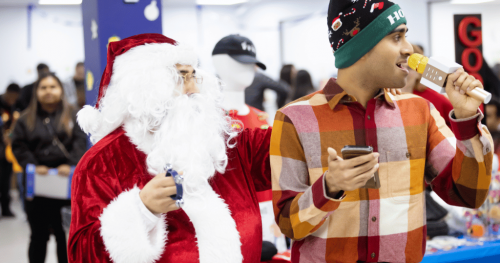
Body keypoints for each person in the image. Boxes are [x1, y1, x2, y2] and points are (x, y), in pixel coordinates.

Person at [271, 1, 493, 262]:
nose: (408, 49)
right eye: (396, 37)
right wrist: (330, 187)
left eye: (405, 36)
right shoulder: (294, 119)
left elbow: (469, 194)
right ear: (361, 47)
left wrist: (466, 118)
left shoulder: (420, 112)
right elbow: (288, 224)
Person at [68, 34, 272, 263]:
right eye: (181, 77)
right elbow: (82, 255)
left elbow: (288, 144)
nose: (194, 88)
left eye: (194, 75)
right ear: (145, 88)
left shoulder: (225, 144)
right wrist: (140, 211)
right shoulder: (103, 162)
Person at [12, 72, 87, 263]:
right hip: (36, 185)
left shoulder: (72, 115)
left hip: (66, 184)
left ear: (61, 90)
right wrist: (34, 166)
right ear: (36, 91)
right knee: (38, 236)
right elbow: (18, 146)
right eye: (43, 87)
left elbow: (80, 144)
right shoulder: (24, 119)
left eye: (53, 87)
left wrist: (69, 164)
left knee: (65, 235)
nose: (48, 91)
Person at [402, 44, 454, 128]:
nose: (405, 71)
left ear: (419, 73)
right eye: (399, 66)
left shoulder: (434, 100)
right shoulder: (379, 99)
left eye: (410, 67)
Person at [0, 83, 21, 217]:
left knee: (5, 181)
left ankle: (6, 209)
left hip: (7, 150)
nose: (12, 99)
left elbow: (13, 127)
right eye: (10, 96)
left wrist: (10, 137)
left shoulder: (14, 107)